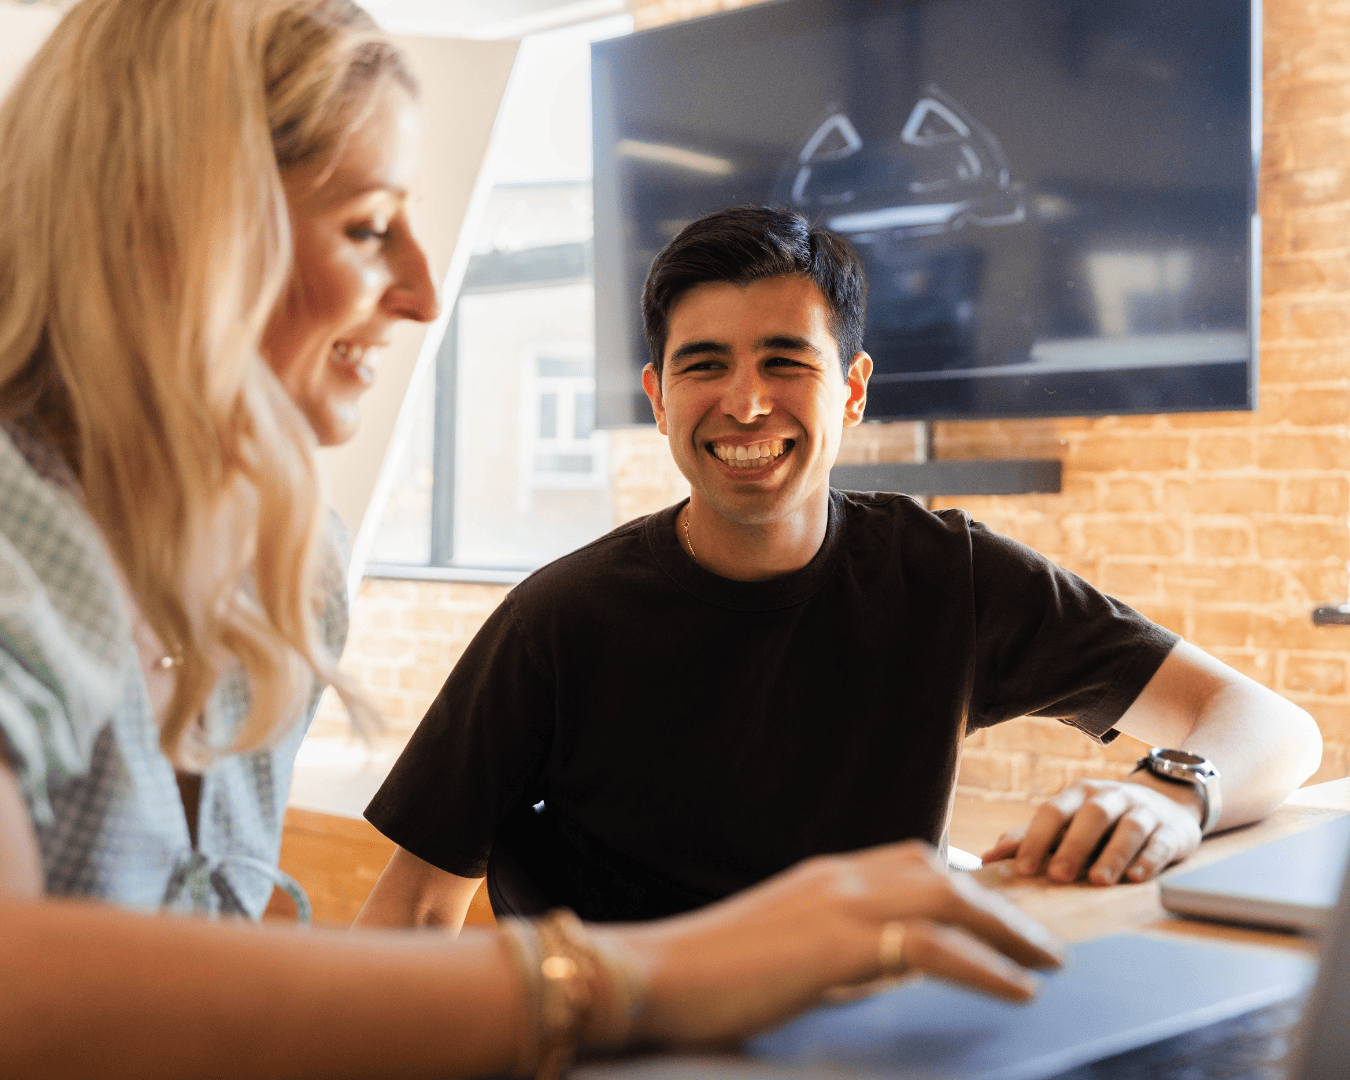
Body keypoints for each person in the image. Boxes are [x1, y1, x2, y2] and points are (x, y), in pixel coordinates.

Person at [0, 3, 1067, 1077]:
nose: (421, 293)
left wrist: (1165, 785)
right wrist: (648, 976)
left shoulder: (286, 562)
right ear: (171, 222)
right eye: (370, 226)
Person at [357, 205, 1324, 931]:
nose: (744, 403)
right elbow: (412, 910)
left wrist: (1167, 790)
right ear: (656, 397)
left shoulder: (950, 575)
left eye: (786, 362)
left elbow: (1273, 729)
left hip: (870, 1036)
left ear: (853, 390)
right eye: (704, 366)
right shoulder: (559, 620)